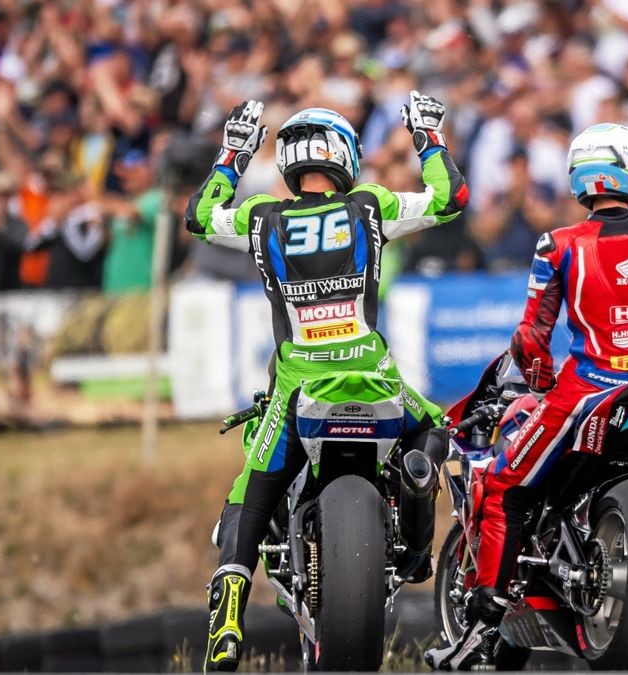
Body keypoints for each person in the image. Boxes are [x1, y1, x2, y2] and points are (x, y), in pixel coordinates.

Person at [424, 94, 628, 671]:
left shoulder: (559, 246)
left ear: (583, 179)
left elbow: (531, 339)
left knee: (502, 487)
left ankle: (481, 629)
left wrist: (541, 380)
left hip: (585, 396)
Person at [184, 93, 467, 672]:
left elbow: (198, 217)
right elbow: (450, 198)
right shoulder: (372, 206)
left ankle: (228, 610)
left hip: (298, 389)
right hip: (375, 379)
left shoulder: (261, 217)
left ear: (288, 160)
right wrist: (429, 137)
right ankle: (415, 509)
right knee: (439, 430)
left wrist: (230, 159)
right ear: (345, 157)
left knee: (249, 492)